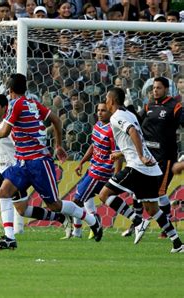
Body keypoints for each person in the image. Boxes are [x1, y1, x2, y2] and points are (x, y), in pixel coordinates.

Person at [0, 73, 102, 250]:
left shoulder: (16, 105)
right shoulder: (33, 103)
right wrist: (58, 145)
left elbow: (4, 132)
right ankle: (10, 239)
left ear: (10, 90)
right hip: (22, 162)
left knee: (54, 205)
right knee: (4, 192)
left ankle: (92, 220)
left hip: (38, 162)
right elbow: (56, 120)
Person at [98, 87, 183, 253]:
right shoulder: (129, 114)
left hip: (137, 166)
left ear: (112, 101)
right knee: (152, 209)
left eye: (107, 99)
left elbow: (133, 132)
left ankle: (137, 221)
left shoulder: (117, 116)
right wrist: (121, 152)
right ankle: (178, 244)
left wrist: (140, 156)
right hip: (149, 168)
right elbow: (137, 137)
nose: (105, 102)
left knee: (104, 195)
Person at [0, 94, 68, 240]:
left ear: (5, 108)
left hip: (16, 169)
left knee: (22, 210)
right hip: (2, 167)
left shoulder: (11, 126)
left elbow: (20, 143)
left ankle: (59, 217)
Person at [122, 77, 183, 239]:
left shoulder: (174, 107)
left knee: (160, 192)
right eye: (153, 88)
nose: (155, 90)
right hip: (148, 157)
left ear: (166, 89)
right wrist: (128, 106)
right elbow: (136, 121)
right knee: (139, 191)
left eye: (159, 88)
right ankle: (137, 224)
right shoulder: (149, 106)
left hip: (165, 157)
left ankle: (167, 226)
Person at [64, 102, 118, 239]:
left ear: (110, 112)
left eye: (103, 110)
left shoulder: (112, 130)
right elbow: (93, 146)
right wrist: (82, 162)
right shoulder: (97, 126)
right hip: (93, 168)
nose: (100, 113)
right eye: (98, 110)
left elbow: (117, 154)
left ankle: (93, 222)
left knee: (76, 201)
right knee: (81, 197)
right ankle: (80, 230)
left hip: (101, 172)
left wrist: (116, 173)